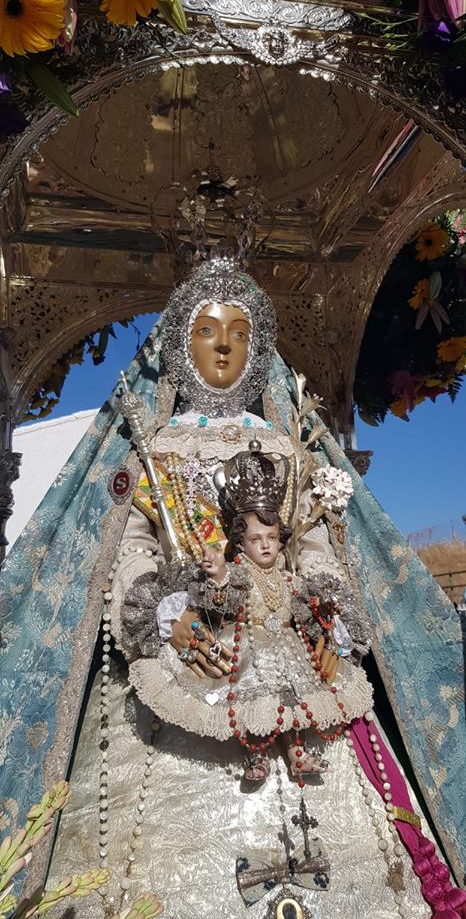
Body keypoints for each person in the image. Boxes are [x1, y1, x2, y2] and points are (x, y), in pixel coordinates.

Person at [1, 257, 465, 919]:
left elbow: (312, 546)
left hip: (300, 663)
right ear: (182, 348)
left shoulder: (285, 446)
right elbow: (132, 549)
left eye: (240, 333)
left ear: (259, 349)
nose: (224, 346)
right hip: (190, 670)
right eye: (207, 331)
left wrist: (326, 617)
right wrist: (170, 619)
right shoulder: (156, 449)